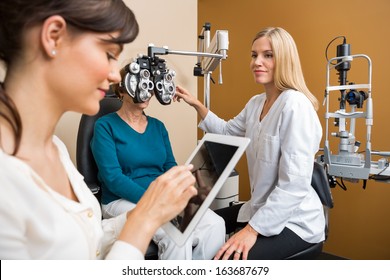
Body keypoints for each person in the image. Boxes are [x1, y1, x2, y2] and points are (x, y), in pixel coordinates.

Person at [0, 0, 197, 260]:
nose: (117, 76)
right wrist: (143, 222)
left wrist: (147, 212)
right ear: (54, 37)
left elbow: (80, 244)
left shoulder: (55, 149)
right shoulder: (7, 177)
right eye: (109, 54)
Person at [175, 27, 325, 260]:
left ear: (284, 59)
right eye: (254, 55)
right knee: (195, 222)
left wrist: (251, 230)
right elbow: (226, 131)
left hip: (295, 221)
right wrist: (195, 103)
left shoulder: (295, 106)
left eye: (268, 55)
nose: (257, 62)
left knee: (227, 260)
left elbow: (293, 187)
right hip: (262, 207)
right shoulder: (256, 103)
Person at [89, 69, 226, 260]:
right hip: (120, 200)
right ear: (122, 91)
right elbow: (113, 178)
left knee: (215, 224)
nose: (146, 91)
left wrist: (184, 190)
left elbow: (170, 165)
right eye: (138, 84)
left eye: (149, 85)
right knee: (177, 237)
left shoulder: (158, 126)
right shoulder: (105, 126)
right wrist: (155, 201)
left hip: (162, 197)